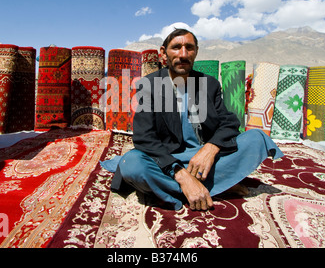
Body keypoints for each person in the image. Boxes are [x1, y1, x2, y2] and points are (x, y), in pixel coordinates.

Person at [104, 28, 283, 211]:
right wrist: (181, 174)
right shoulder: (150, 85)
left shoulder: (209, 84)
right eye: (176, 47)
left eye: (189, 48)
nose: (183, 54)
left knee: (256, 138)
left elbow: (229, 122)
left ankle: (174, 189)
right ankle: (210, 186)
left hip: (202, 159)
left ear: (196, 51)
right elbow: (144, 138)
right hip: (166, 159)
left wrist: (210, 149)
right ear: (163, 52)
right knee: (132, 165)